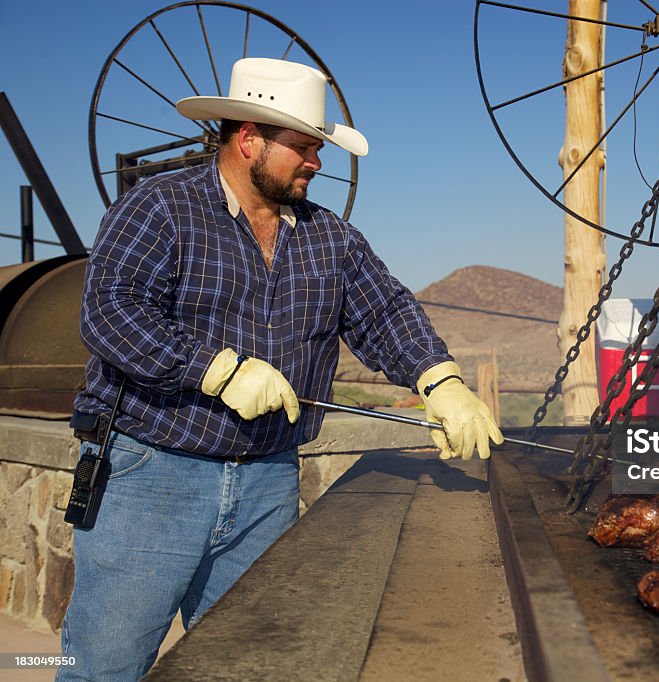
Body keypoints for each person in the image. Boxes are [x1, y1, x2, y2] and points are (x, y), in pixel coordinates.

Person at [57, 57, 503, 681]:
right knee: (103, 666)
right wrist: (216, 370)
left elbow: (385, 313)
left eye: (318, 148)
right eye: (303, 148)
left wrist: (441, 380)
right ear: (247, 139)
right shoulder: (159, 207)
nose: (316, 163)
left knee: (250, 666)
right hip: (152, 475)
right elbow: (110, 312)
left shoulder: (333, 238)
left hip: (268, 481)